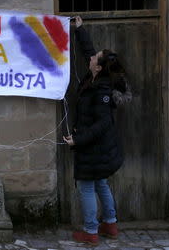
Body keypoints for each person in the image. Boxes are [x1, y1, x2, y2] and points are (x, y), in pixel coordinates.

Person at [63, 16, 129, 246]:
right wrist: (80, 29)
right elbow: (88, 51)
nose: (90, 58)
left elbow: (102, 125)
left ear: (98, 67)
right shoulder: (97, 76)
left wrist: (77, 140)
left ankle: (91, 231)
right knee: (101, 183)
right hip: (99, 148)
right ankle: (110, 224)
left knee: (86, 186)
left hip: (94, 147)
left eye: (94, 58)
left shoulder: (101, 91)